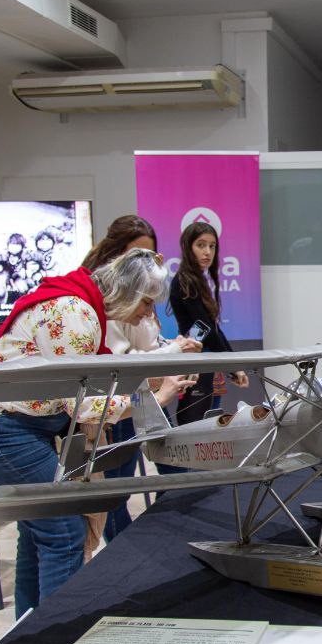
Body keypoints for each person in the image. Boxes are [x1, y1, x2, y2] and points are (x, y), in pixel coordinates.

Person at [0, 249, 193, 617]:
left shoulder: (80, 305)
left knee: (40, 532)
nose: (148, 313)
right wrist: (156, 396)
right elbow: (84, 406)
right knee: (65, 530)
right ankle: (56, 636)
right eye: (147, 302)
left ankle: (29, 631)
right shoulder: (75, 313)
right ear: (128, 292)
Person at [81, 216, 200, 542]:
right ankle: (124, 553)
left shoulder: (135, 298)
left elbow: (146, 344)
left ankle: (149, 545)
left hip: (144, 394)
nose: (145, 263)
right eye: (137, 254)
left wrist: (172, 347)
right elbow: (121, 363)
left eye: (150, 255)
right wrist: (173, 351)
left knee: (171, 474)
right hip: (123, 401)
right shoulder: (106, 305)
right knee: (115, 493)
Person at [168, 222, 248, 432]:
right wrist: (233, 365)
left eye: (212, 246)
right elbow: (206, 329)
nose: (207, 252)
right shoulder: (185, 281)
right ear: (188, 247)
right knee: (194, 427)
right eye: (201, 245)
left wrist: (233, 364)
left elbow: (211, 328)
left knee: (208, 425)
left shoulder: (197, 280)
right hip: (195, 363)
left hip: (206, 362)